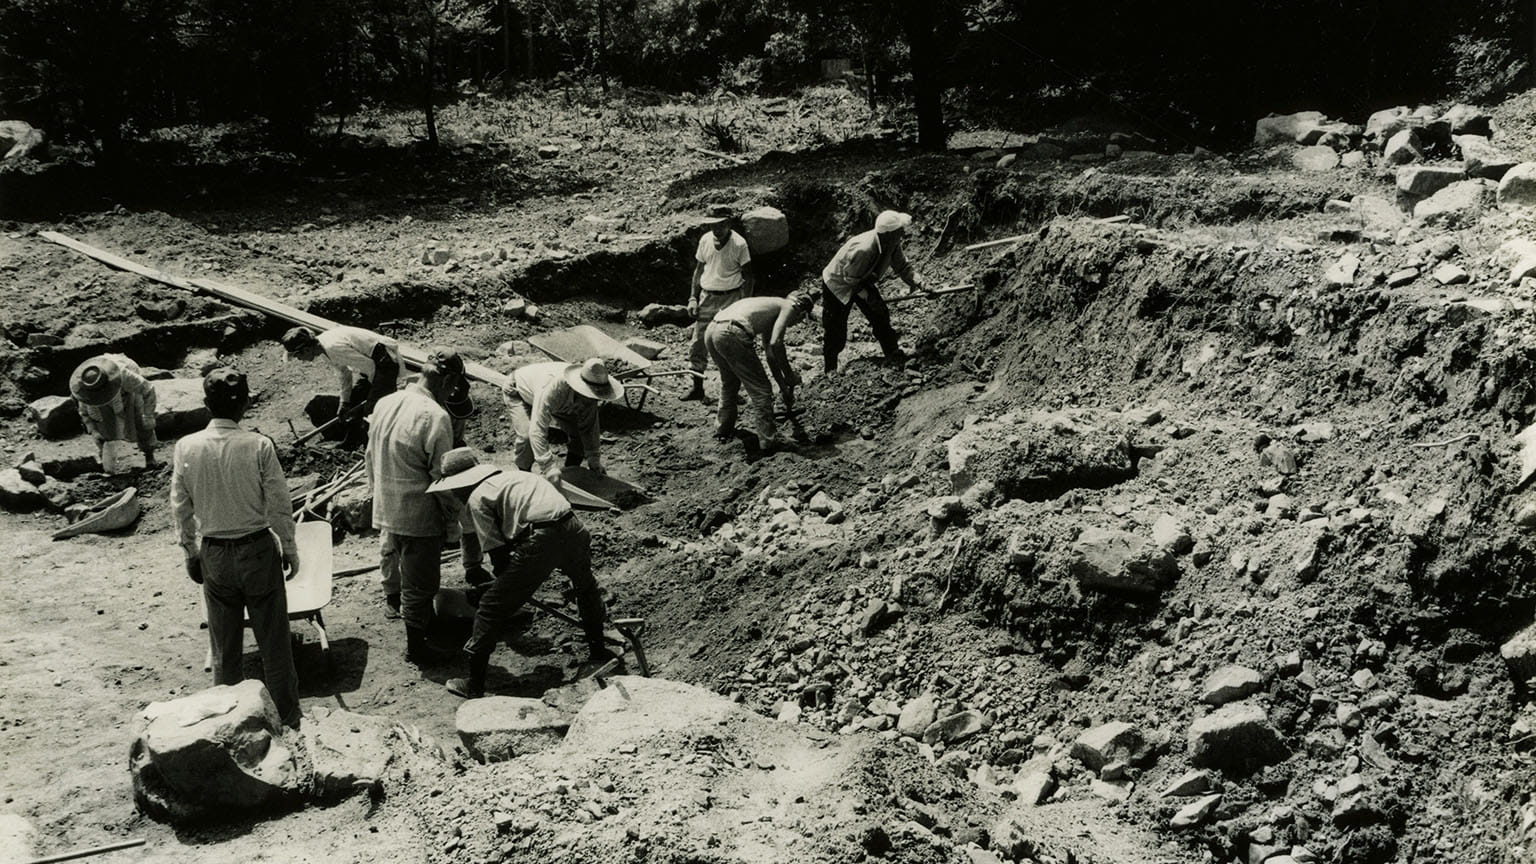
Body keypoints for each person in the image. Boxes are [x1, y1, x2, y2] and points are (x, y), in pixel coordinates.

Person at [426, 448, 618, 698]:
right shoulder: (517, 477)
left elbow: (498, 556)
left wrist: (500, 589)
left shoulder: (477, 498)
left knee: (490, 608)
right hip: (574, 527)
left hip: (542, 539)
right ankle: (598, 651)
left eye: (453, 488)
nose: (454, 493)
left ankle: (474, 685)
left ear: (462, 484)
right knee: (585, 587)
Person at [169, 368, 302, 728]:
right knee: (274, 643)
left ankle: (227, 727)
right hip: (257, 548)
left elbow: (180, 507)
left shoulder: (187, 447)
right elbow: (278, 502)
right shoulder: (258, 445)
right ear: (244, 403)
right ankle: (288, 720)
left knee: (225, 649)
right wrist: (289, 548)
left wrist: (190, 552)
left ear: (205, 404)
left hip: (214, 551)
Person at [366, 348, 463, 663]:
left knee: (408, 574)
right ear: (447, 380)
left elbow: (369, 456)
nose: (451, 394)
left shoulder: (385, 402)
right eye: (453, 387)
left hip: (387, 506)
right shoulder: (435, 416)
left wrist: (376, 494)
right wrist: (452, 522)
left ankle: (424, 627)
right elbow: (442, 477)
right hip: (418, 514)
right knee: (421, 583)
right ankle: (417, 649)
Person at [819, 209, 931, 373]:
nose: (903, 233)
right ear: (889, 234)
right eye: (900, 230)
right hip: (839, 284)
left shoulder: (891, 243)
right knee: (836, 332)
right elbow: (851, 280)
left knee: (880, 315)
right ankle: (830, 371)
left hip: (862, 278)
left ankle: (893, 354)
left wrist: (921, 283)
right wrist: (868, 297)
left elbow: (903, 266)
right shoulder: (864, 249)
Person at [705, 290, 816, 453]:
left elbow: (770, 354)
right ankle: (769, 442)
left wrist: (784, 388)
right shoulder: (790, 306)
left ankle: (723, 428)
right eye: (799, 321)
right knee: (762, 392)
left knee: (730, 382)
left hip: (713, 329)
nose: (794, 324)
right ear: (802, 312)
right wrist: (790, 376)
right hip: (730, 331)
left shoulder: (771, 305)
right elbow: (777, 343)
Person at [504, 359, 624, 483]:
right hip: (518, 391)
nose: (591, 401)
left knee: (579, 438)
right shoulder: (555, 388)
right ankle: (525, 478)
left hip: (561, 401)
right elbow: (538, 428)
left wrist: (594, 459)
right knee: (527, 436)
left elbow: (589, 427)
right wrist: (548, 467)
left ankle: (569, 477)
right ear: (580, 388)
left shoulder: (590, 396)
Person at [282, 326, 401, 447]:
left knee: (371, 409)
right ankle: (352, 442)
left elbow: (371, 367)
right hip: (371, 363)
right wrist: (344, 402)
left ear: (306, 350)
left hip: (385, 360)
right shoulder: (322, 350)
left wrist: (377, 393)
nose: (300, 360)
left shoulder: (332, 348)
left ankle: (375, 446)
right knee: (355, 401)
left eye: (298, 356)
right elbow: (344, 373)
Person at [684, 211, 754, 401]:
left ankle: (732, 392)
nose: (715, 229)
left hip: (731, 298)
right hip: (708, 297)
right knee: (698, 343)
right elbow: (698, 271)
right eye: (712, 225)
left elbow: (749, 277)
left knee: (730, 343)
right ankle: (697, 388)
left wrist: (744, 304)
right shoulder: (706, 240)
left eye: (719, 225)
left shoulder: (739, 244)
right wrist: (693, 298)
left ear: (728, 223)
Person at [69, 354, 159, 471]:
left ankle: (149, 456)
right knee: (102, 427)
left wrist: (148, 415)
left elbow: (148, 389)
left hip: (127, 391)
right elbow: (85, 413)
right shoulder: (83, 389)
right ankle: (109, 462)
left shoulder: (124, 376)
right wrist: (93, 430)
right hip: (102, 396)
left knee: (140, 421)